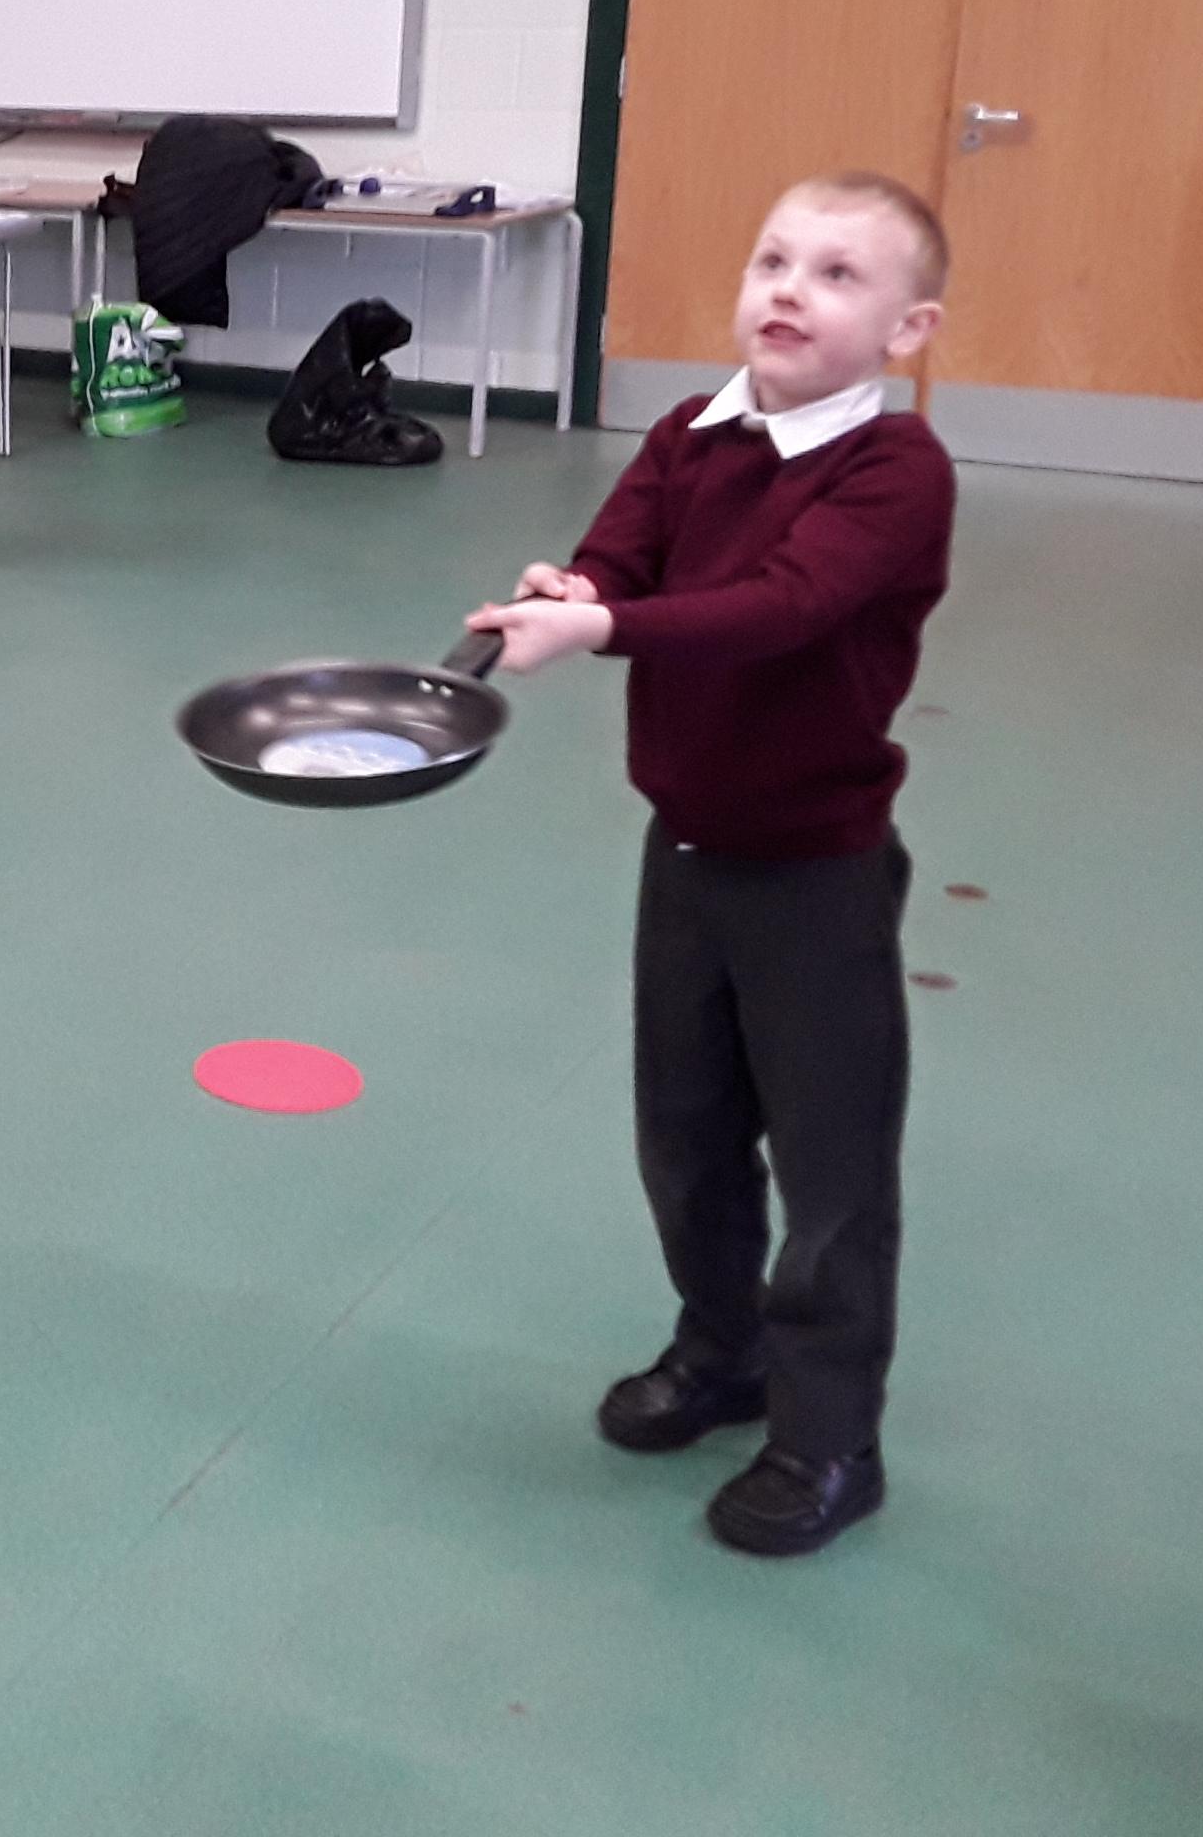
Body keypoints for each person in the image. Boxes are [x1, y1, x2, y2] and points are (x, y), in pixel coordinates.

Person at [466, 172, 955, 1559]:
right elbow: (620, 557)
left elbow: (782, 606)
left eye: (839, 275)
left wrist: (607, 630)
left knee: (831, 1170)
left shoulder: (895, 471)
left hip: (816, 873)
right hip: (683, 854)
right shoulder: (692, 432)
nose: (790, 290)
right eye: (774, 260)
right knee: (685, 1133)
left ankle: (830, 1438)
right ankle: (722, 1350)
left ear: (908, 328)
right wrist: (575, 590)